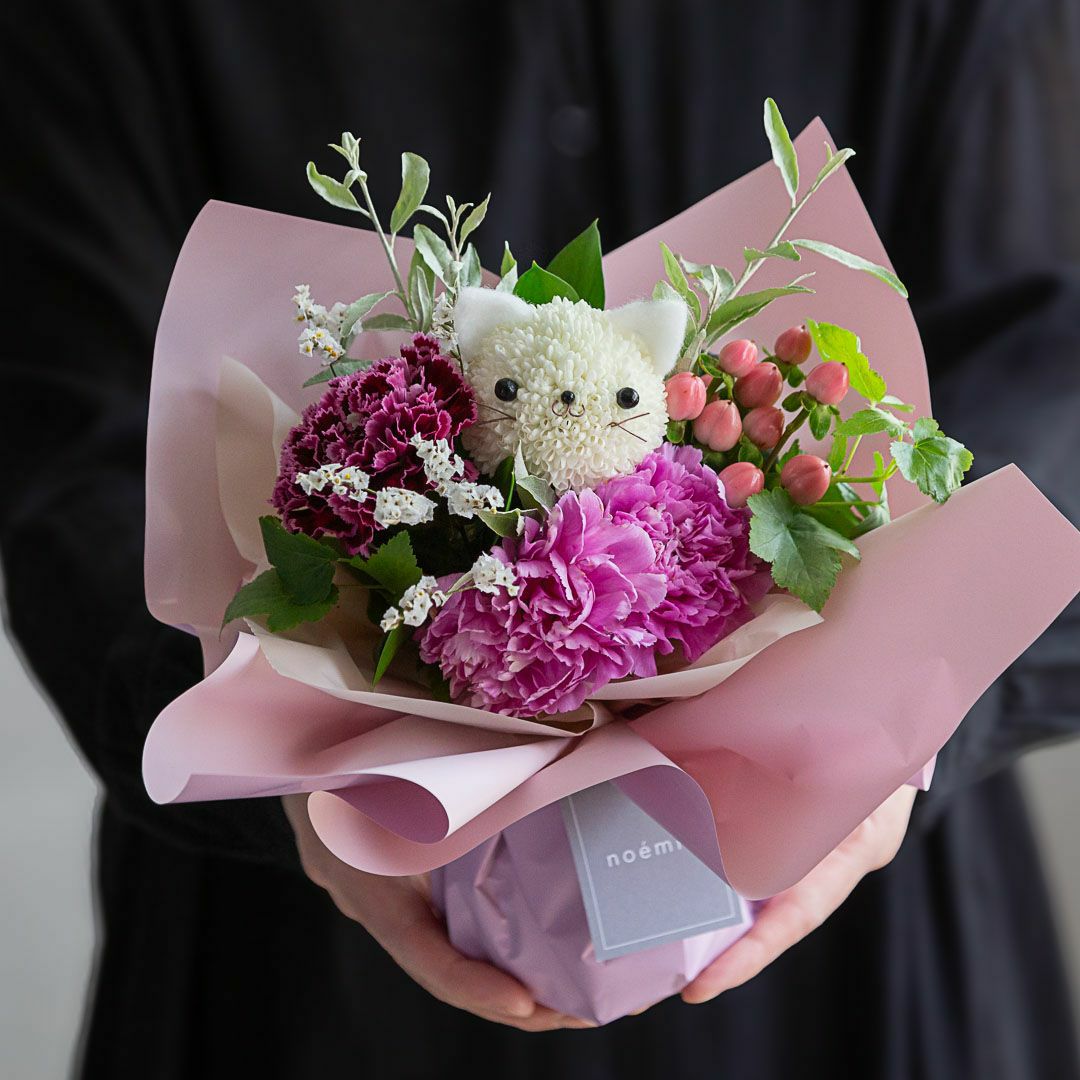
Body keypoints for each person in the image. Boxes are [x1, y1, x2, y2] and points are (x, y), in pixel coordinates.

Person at [2, 1, 1078, 1076]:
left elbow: (1050, 347)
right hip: (315, 962)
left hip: (849, 935)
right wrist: (292, 772)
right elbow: (64, 433)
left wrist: (911, 721)